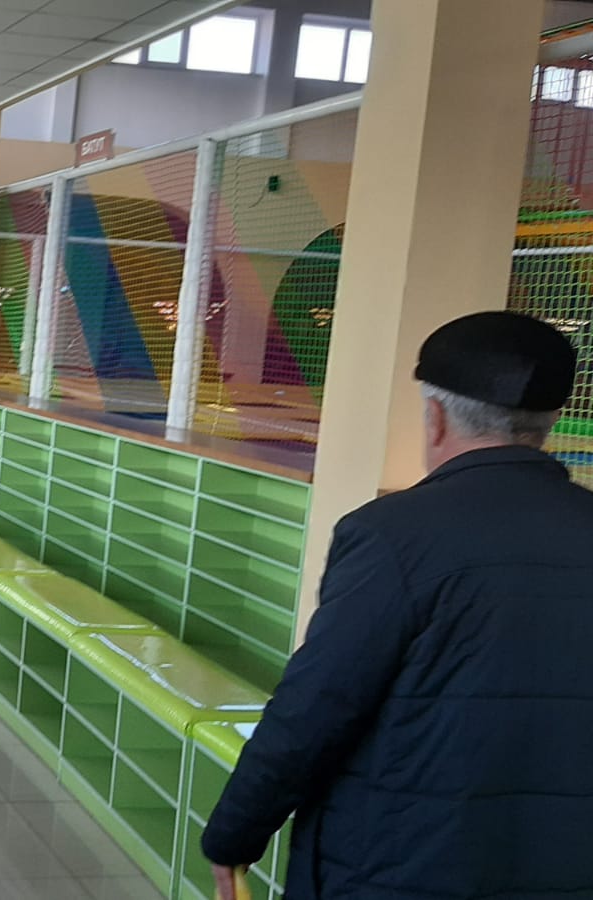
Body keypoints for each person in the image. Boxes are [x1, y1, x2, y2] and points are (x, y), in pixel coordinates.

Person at [202, 311, 593, 900]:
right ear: (550, 421)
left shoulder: (391, 535)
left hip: (395, 868)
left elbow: (315, 709)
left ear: (434, 418)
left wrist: (234, 836)